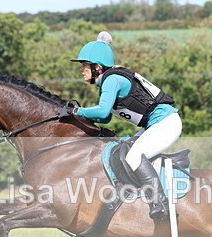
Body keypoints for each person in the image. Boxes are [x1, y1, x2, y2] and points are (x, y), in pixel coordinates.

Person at [63, 32, 182, 221]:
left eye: (84, 65)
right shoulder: (108, 81)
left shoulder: (112, 80)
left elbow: (102, 112)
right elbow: (105, 119)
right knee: (122, 150)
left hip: (166, 123)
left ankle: (161, 205)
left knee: (134, 156)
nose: (81, 70)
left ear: (97, 67)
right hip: (155, 125)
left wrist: (77, 112)